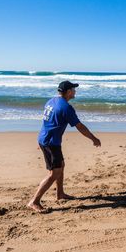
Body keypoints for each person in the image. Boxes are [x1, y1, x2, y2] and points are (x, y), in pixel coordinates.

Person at [27, 80, 101, 213]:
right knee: (54, 173)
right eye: (73, 89)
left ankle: (60, 193)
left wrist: (43, 141)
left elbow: (47, 121)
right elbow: (80, 127)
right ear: (68, 92)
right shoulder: (66, 108)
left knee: (61, 165)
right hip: (50, 143)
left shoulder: (51, 101)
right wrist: (93, 138)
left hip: (46, 140)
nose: (75, 91)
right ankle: (34, 201)